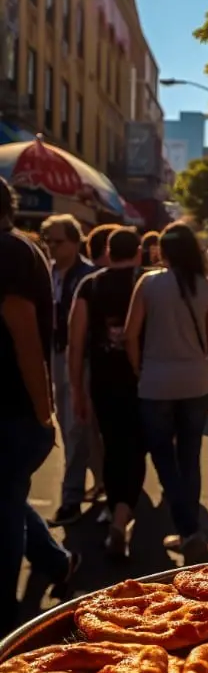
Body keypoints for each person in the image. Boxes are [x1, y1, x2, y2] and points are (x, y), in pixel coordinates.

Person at [0, 179, 78, 636]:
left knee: (4, 504)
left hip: (11, 409)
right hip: (13, 411)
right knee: (7, 495)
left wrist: (43, 410)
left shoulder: (11, 252)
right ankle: (55, 560)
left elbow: (23, 331)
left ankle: (6, 616)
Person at [125, 221, 208, 550]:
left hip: (155, 382)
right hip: (196, 382)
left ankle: (187, 526)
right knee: (190, 457)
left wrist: (141, 369)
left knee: (163, 457)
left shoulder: (149, 284)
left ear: (162, 251)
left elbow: (130, 334)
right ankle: (190, 529)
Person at [69, 227, 145, 558]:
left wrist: (76, 389)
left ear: (108, 252)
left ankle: (117, 511)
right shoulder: (147, 281)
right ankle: (123, 514)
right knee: (136, 449)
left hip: (103, 381)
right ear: (139, 252)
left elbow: (76, 341)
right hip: (142, 379)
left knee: (113, 448)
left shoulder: (90, 285)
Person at [40, 214, 95, 526]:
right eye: (48, 241)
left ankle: (72, 498)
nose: (51, 247)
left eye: (58, 241)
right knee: (73, 425)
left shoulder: (87, 276)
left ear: (75, 242)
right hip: (56, 355)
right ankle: (105, 487)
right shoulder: (47, 273)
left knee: (78, 428)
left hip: (83, 359)